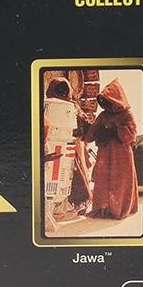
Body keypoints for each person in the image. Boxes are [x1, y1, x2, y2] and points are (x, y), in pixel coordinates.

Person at [82, 78, 139, 220]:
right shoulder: (103, 116)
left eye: (108, 101)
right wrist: (86, 131)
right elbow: (92, 133)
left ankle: (119, 209)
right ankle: (104, 209)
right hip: (105, 153)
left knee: (121, 181)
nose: (105, 104)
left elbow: (132, 135)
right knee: (103, 179)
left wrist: (114, 131)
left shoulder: (127, 115)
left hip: (121, 154)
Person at [42, 77, 87, 231]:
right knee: (53, 182)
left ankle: (58, 209)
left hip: (65, 147)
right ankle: (54, 211)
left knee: (63, 180)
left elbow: (81, 128)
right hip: (54, 146)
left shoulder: (70, 107)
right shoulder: (58, 106)